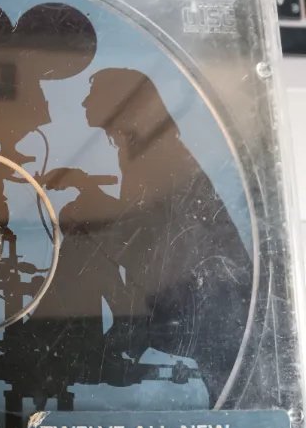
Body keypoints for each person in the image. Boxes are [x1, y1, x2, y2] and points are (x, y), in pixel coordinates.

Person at [81, 68, 253, 406]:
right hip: (191, 300)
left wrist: (91, 208)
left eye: (94, 94)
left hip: (201, 307)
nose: (85, 102)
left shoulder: (156, 155)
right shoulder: (144, 150)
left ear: (120, 104)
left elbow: (155, 238)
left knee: (228, 396)